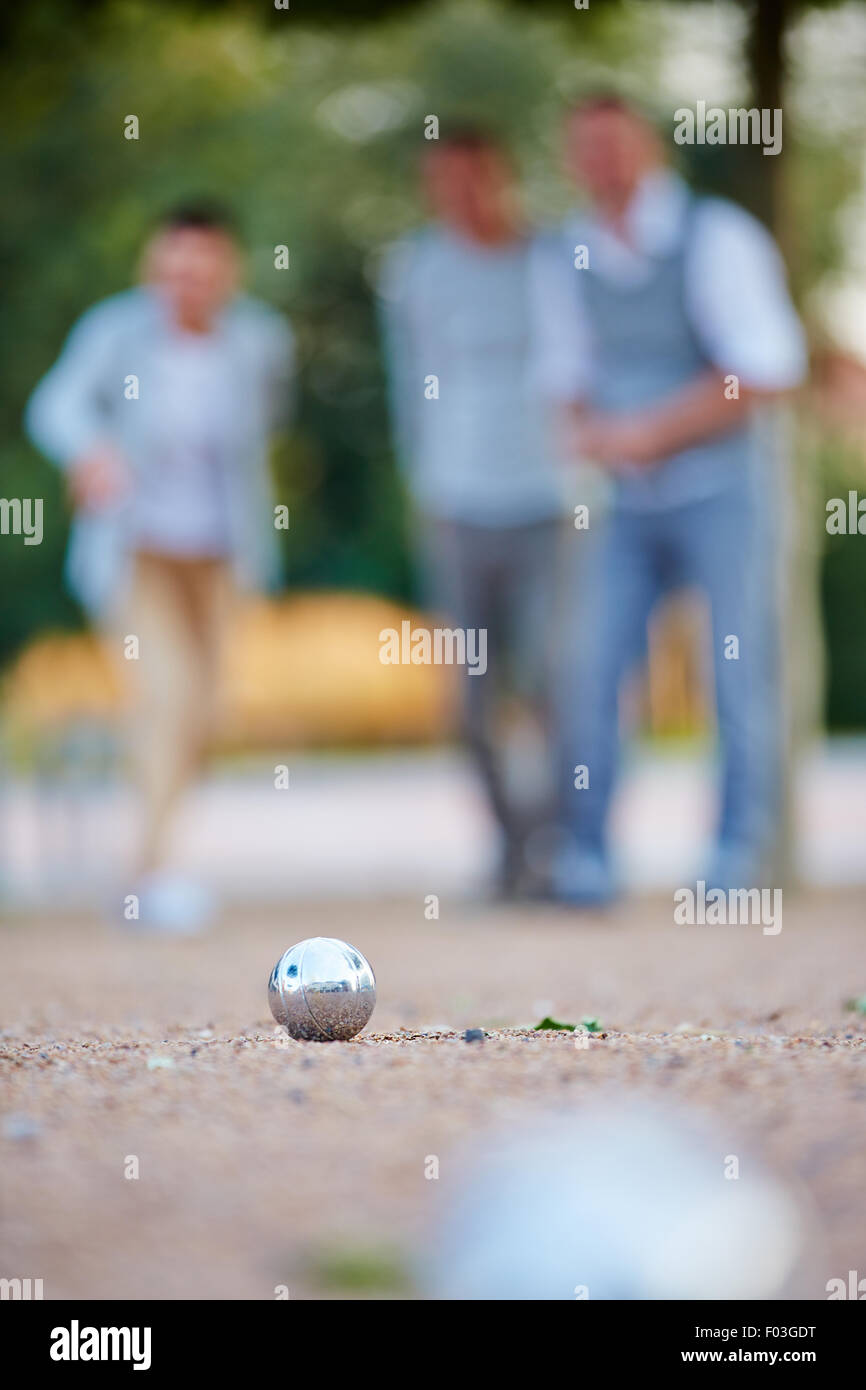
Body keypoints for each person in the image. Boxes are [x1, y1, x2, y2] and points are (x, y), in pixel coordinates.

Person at [530, 95, 808, 903]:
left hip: (726, 491)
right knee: (590, 665)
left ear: (647, 148)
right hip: (622, 500)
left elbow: (763, 369)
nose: (602, 161)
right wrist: (590, 437)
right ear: (570, 158)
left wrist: (650, 430)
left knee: (739, 669)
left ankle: (738, 856)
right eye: (585, 146)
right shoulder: (564, 255)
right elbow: (564, 378)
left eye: (615, 144)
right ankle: (585, 855)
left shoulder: (716, 237)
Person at [26, 201, 294, 930]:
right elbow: (55, 404)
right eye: (172, 270)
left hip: (217, 555)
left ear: (227, 273)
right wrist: (92, 450)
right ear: (154, 270)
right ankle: (152, 874)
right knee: (167, 696)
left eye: (201, 271)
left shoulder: (260, 341)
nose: (185, 284)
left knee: (205, 713)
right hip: (135, 550)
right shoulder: (116, 331)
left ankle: (145, 845)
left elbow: (266, 428)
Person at [379, 130, 570, 896]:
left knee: (555, 677)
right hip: (458, 500)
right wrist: (422, 489)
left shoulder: (556, 261)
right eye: (445, 183)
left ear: (503, 176)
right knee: (471, 690)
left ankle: (561, 847)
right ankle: (512, 847)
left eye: (475, 178)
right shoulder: (415, 271)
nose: (462, 196)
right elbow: (407, 386)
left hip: (555, 499)